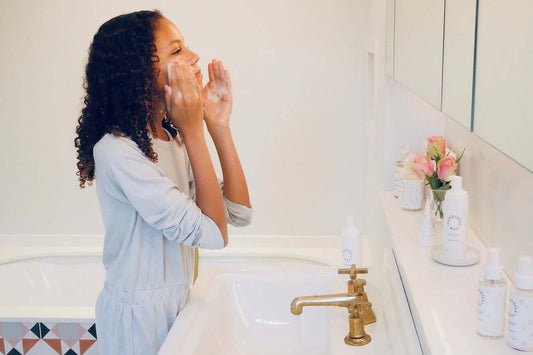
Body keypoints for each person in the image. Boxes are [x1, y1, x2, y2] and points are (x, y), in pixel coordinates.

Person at [74, 9, 252, 354]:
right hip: (137, 321)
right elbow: (214, 235)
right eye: (176, 51)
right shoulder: (117, 153)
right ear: (140, 73)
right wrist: (193, 128)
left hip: (177, 304)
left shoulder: (171, 140)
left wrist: (217, 127)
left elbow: (239, 213)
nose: (193, 56)